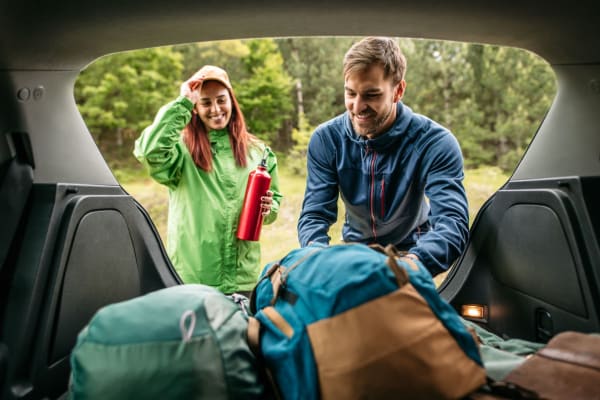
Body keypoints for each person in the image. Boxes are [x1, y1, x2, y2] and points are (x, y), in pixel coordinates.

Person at [297, 37, 469, 276]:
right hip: (355, 252)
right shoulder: (326, 140)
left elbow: (452, 223)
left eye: (371, 95)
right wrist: (319, 258)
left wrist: (409, 266)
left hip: (414, 253)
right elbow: (315, 214)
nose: (357, 107)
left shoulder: (435, 142)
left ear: (398, 91)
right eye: (350, 93)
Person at [134, 65, 282, 295]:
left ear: (232, 101)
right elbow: (149, 151)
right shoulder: (181, 151)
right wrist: (182, 102)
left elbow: (274, 205)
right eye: (205, 102)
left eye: (221, 100)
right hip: (193, 277)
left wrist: (268, 208)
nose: (215, 109)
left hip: (243, 279)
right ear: (195, 108)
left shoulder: (259, 152)